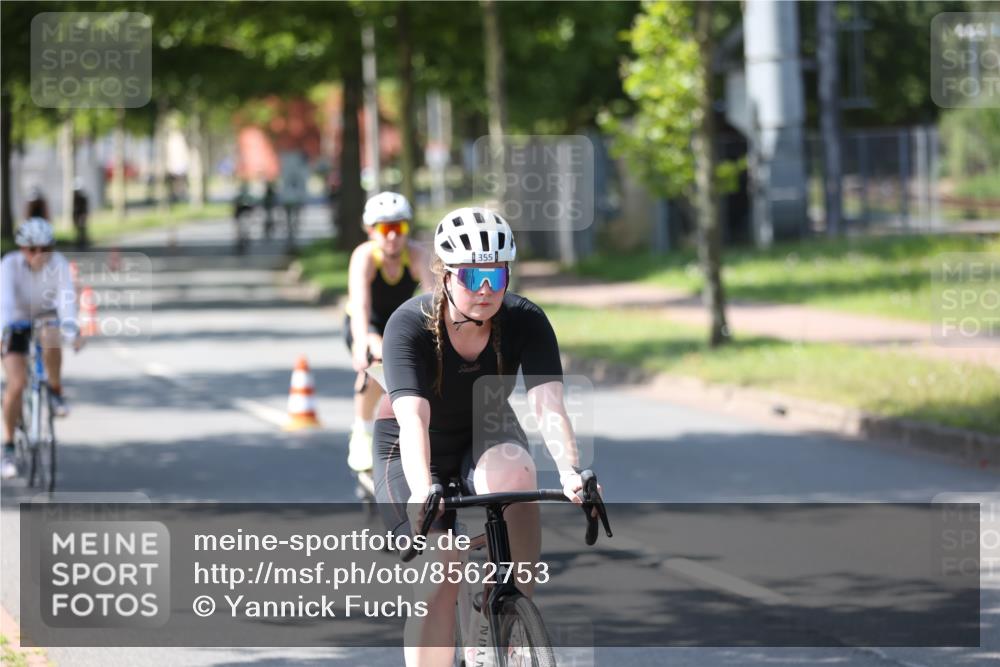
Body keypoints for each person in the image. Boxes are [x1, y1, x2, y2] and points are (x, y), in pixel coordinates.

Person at [373, 206, 601, 666]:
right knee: (442, 568)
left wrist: (570, 471)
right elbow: (414, 418)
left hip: (485, 426)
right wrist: (422, 491)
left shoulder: (525, 318)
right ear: (444, 275)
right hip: (411, 443)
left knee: (517, 474)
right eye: (471, 276)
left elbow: (548, 405)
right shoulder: (408, 324)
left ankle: (503, 617)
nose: (484, 289)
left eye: (495, 276)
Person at [345, 192, 431, 481]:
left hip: (399, 322)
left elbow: (434, 300)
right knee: (376, 363)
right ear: (371, 230)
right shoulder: (365, 257)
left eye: (399, 227)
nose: (393, 236)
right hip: (367, 322)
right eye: (385, 228)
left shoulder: (417, 255)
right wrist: (361, 344)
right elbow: (360, 306)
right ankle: (362, 431)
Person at [1, 218, 83, 479]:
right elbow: (4, 303)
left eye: (45, 248)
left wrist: (72, 332)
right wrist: (2, 333)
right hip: (15, 321)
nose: (39, 254)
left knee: (52, 335)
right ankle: (8, 446)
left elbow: (66, 301)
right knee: (16, 384)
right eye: (32, 249)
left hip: (45, 317)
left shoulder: (58, 264)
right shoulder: (9, 265)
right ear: (22, 248)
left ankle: (55, 391)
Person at [72, 178, 90, 250]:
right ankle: (79, 242)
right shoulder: (74, 197)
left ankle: (83, 242)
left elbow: (85, 208)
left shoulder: (83, 198)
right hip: (77, 214)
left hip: (82, 215)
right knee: (78, 229)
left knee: (82, 229)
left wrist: (84, 216)